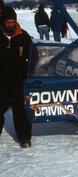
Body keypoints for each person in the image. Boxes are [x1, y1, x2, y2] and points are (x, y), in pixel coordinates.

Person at [0, 6, 33, 148]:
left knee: (20, 110)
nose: (10, 25)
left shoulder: (23, 36)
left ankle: (24, 137)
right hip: (1, 80)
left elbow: (31, 56)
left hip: (17, 80)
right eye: (7, 22)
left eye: (12, 22)